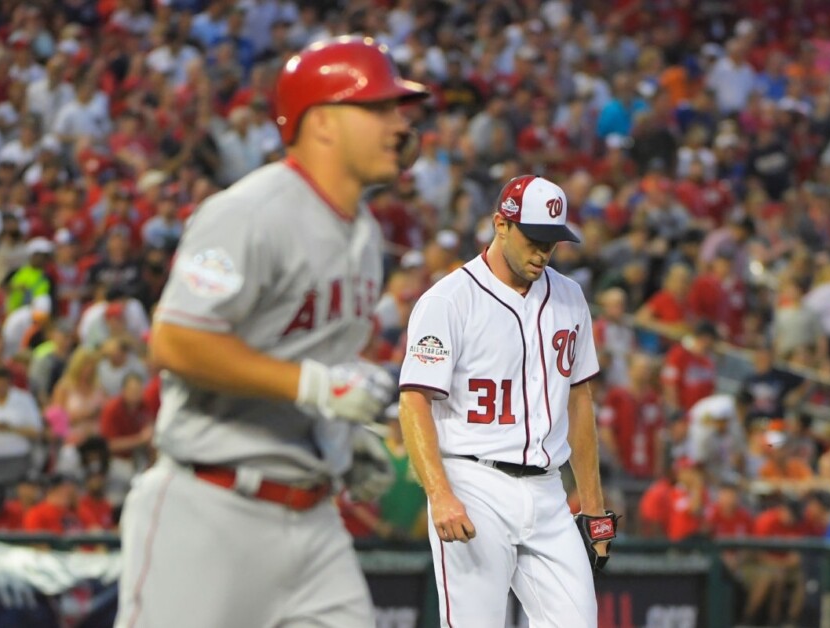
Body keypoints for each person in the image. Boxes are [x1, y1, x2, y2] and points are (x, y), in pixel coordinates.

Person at [115, 36, 427, 628]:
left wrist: (339, 433)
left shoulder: (362, 233)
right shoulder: (249, 212)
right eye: (379, 107)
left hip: (313, 520)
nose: (399, 123)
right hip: (210, 510)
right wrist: (313, 388)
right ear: (324, 123)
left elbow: (317, 362)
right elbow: (177, 341)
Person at [399, 174, 615, 627]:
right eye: (534, 239)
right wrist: (439, 494)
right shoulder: (449, 300)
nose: (542, 253)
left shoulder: (570, 297)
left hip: (548, 489)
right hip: (474, 483)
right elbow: (414, 401)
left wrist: (593, 508)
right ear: (501, 224)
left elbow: (579, 400)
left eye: (552, 242)